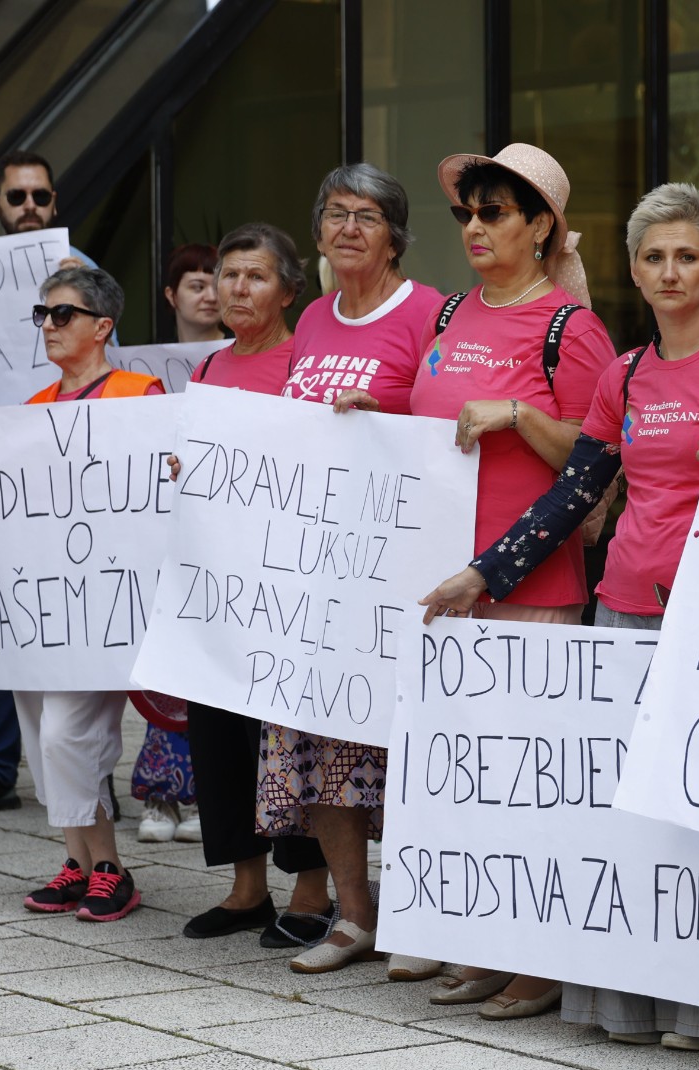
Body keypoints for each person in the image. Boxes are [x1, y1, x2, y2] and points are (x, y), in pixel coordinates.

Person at [420, 182, 699, 1048]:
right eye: (654, 257)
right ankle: (624, 1008)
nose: (670, 271)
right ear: (633, 269)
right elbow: (574, 492)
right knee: (628, 820)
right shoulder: (623, 372)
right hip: (621, 613)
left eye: (687, 256)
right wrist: (482, 573)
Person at [405, 143, 618, 1020]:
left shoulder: (572, 326)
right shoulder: (450, 313)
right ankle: (489, 942)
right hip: (444, 580)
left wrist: (522, 413)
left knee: (532, 778)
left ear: (541, 227)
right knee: (470, 777)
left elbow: (604, 454)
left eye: (495, 211)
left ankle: (542, 959)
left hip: (529, 583)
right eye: (467, 212)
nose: (476, 226)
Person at [257, 164, 445, 981]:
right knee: (322, 741)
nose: (348, 229)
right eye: (333, 213)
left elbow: (447, 430)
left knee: (405, 750)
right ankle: (354, 912)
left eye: (366, 216)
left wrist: (389, 418)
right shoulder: (311, 321)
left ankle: (423, 913)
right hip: (318, 575)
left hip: (400, 573)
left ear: (395, 234)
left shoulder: (433, 312)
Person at [0, 266, 156, 918]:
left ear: (102, 325)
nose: (50, 325)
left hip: (100, 604)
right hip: (42, 604)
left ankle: (110, 865)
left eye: (63, 313)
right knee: (39, 733)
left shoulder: (136, 392)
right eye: (44, 314)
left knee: (70, 734)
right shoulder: (33, 408)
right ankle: (77, 860)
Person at [167, 224, 335, 944]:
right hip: (222, 585)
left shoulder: (311, 362)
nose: (236, 288)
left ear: (290, 290)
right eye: (227, 274)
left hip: (293, 583)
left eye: (255, 276)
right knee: (220, 731)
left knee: (292, 737)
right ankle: (245, 887)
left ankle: (311, 887)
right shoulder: (206, 369)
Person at [0, 151, 107, 822]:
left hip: (62, 476)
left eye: (40, 195)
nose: (29, 206)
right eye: (17, 196)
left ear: (55, 202)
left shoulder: (84, 277)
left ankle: (88, 783)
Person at [125, 242, 233, 844]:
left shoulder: (248, 359)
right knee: (164, 664)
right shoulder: (138, 376)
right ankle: (161, 792)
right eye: (196, 283)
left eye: (216, 282)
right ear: (171, 296)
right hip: (162, 529)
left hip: (219, 530)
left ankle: (198, 794)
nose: (210, 294)